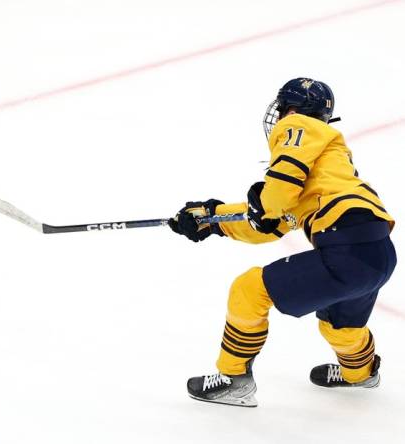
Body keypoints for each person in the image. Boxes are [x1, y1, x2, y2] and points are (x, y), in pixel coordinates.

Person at [169, 78, 396, 407]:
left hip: (346, 249)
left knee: (249, 289)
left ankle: (234, 379)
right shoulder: (325, 170)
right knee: (339, 326)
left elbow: (274, 199)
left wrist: (258, 205)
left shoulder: (297, 125)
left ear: (291, 109)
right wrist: (211, 219)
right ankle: (360, 373)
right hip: (376, 255)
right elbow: (269, 223)